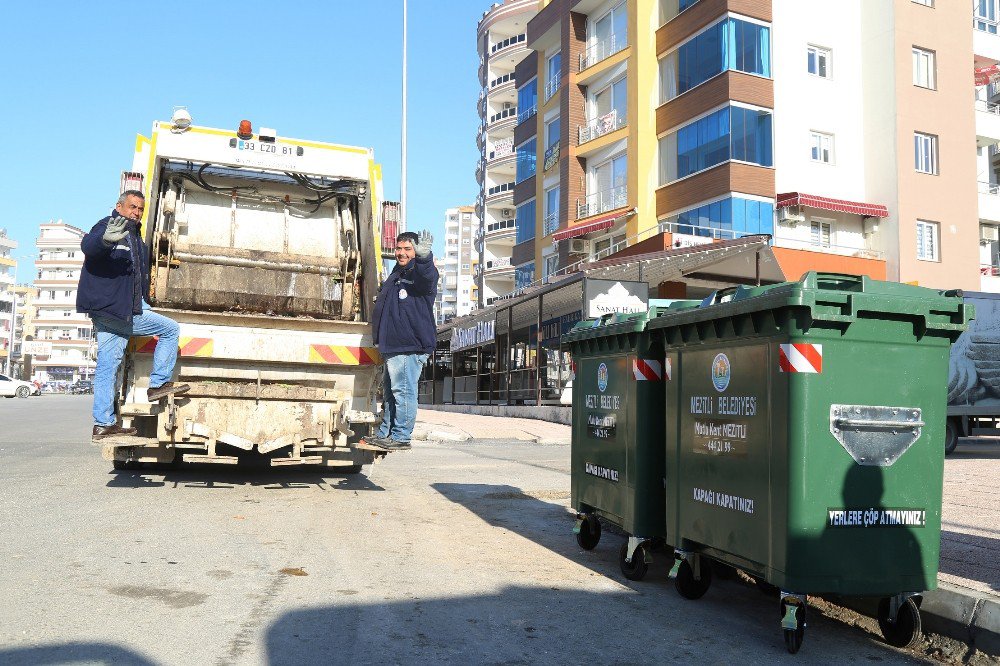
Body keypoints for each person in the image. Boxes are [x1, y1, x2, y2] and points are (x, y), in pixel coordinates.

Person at [77, 190, 190, 440]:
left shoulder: (135, 237)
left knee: (107, 368)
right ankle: (158, 385)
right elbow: (89, 246)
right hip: (117, 310)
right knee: (170, 329)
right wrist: (105, 241)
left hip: (111, 312)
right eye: (132, 207)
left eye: (140, 209)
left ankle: (103, 424)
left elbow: (137, 278)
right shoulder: (107, 226)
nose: (136, 213)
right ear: (119, 207)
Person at [367, 230, 438, 450]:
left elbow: (427, 280)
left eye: (408, 249)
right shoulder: (397, 274)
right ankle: (386, 433)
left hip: (410, 345)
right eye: (399, 248)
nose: (402, 253)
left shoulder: (419, 272)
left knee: (403, 391)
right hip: (394, 346)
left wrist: (425, 258)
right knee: (389, 393)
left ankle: (401, 436)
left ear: (416, 251)